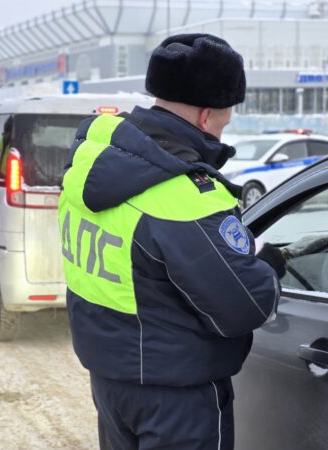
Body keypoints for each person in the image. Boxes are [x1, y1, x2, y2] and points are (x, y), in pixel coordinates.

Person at [58, 34, 285, 449]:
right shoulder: (182, 196)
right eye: (225, 118)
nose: (224, 128)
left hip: (111, 382)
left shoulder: (91, 164)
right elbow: (245, 306)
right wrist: (269, 266)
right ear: (206, 116)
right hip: (178, 399)